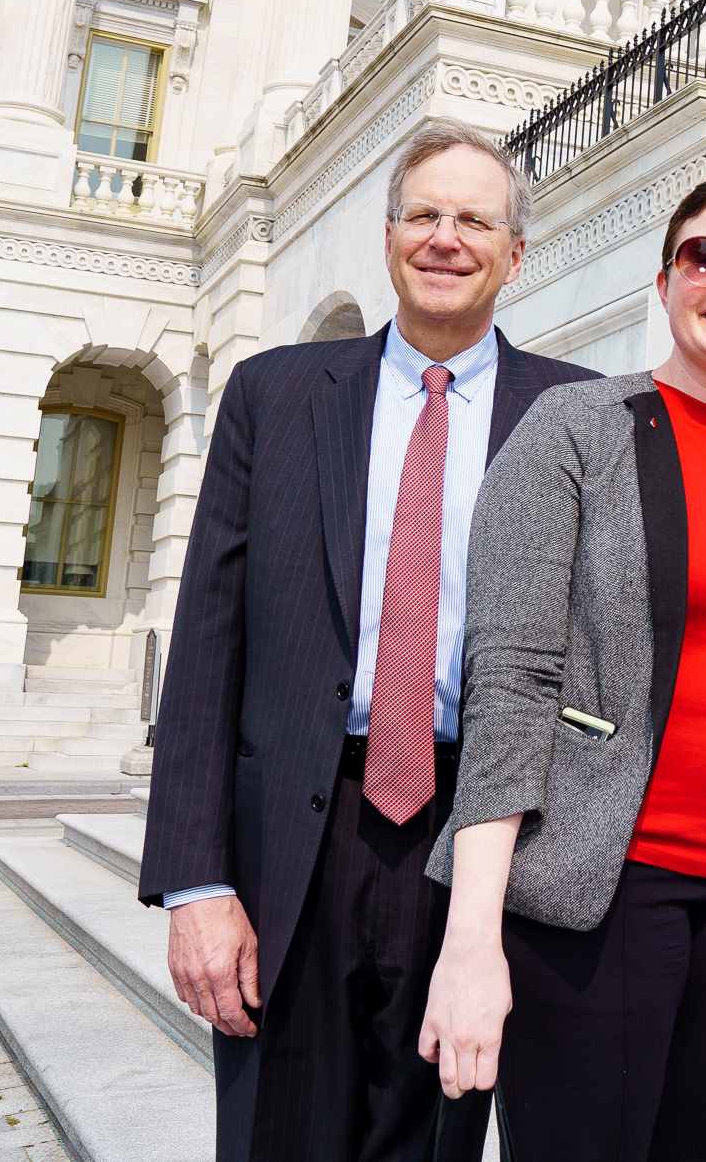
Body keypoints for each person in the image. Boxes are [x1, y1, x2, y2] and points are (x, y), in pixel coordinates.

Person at [139, 118, 596, 1162]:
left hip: (476, 835)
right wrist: (196, 883)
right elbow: (209, 637)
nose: (446, 236)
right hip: (295, 836)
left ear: (514, 254)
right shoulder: (276, 394)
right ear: (388, 237)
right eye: (424, 214)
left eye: (474, 219)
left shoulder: (574, 413)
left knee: (430, 1136)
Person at [417, 174, 706, 1161]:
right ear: (665, 281)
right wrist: (470, 936)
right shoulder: (577, 429)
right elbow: (512, 684)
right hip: (602, 891)